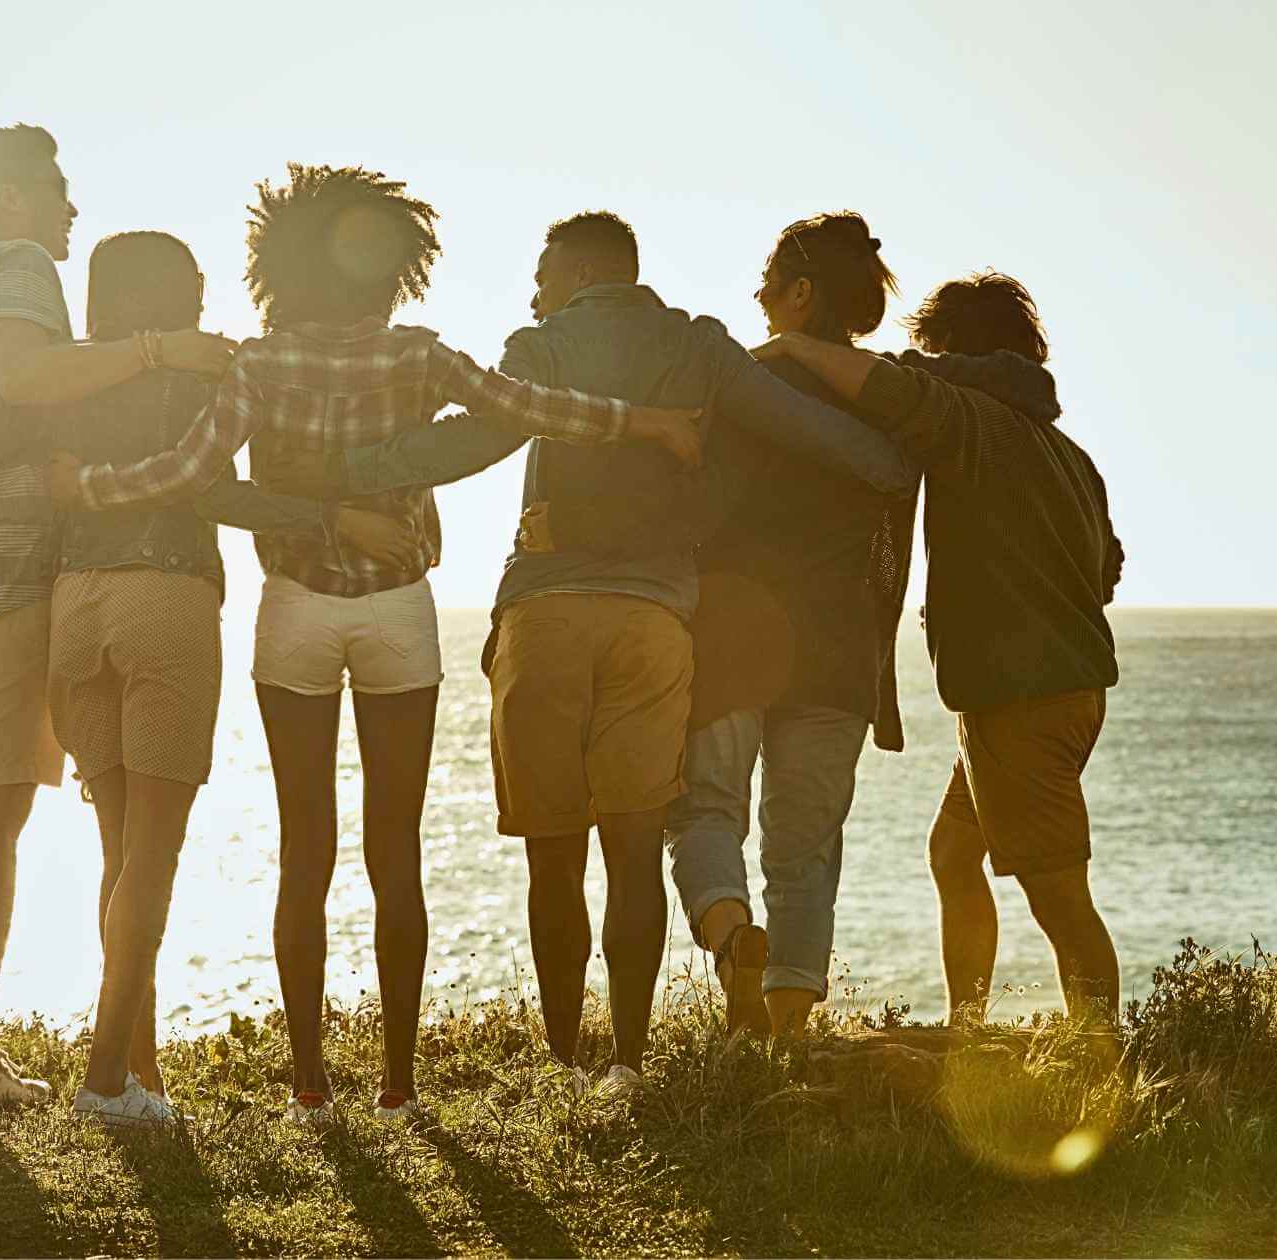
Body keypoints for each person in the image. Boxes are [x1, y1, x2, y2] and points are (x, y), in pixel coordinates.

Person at [48, 167, 703, 1126]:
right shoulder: (418, 356)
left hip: (296, 610)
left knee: (302, 850)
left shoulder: (258, 366)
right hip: (398, 609)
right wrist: (645, 422)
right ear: (394, 266)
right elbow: (531, 410)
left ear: (280, 272)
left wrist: (87, 486)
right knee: (395, 851)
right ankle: (399, 1085)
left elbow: (188, 477)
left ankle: (309, 1084)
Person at [261, 211, 919, 1090]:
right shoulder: (704, 348)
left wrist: (350, 471)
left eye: (542, 275)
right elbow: (831, 441)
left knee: (553, 849)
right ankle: (630, 1064)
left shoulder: (544, 342)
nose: (533, 292)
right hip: (655, 617)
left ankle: (566, 1058)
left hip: (546, 607)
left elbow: (479, 437)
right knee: (637, 845)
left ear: (574, 275)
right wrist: (889, 459)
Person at [0, 124, 235, 1112]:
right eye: (55, 190)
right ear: (7, 201)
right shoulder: (18, 269)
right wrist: (162, 349)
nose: (70, 209)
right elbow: (25, 380)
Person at [47, 230, 418, 1129]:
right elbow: (220, 493)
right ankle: (103, 1081)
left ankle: (144, 1080)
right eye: (197, 286)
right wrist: (332, 518)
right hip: (163, 601)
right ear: (173, 295)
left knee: (115, 852)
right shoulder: (209, 378)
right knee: (153, 857)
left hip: (74, 607)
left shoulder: (67, 382)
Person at [752, 271, 1126, 1024]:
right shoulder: (1066, 453)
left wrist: (790, 345)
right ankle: (969, 1027)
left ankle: (1102, 1060)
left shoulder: (970, 420)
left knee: (1059, 898)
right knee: (954, 855)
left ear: (956, 351)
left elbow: (888, 388)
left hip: (1020, 697)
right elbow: (1107, 570)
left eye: (932, 349)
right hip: (1052, 692)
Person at [661, 212, 918, 1036]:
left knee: (706, 810)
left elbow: (692, 506)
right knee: (805, 850)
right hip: (838, 645)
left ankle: (735, 943)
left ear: (801, 294)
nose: (758, 296)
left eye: (769, 283)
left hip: (736, 631)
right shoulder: (887, 399)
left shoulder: (735, 386)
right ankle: (785, 1035)